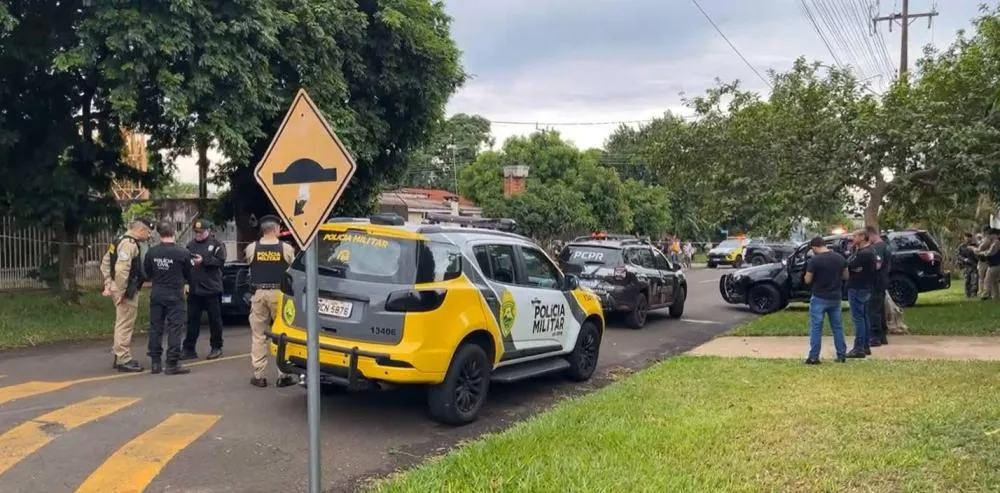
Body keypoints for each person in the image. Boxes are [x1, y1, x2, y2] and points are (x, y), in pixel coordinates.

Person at [245, 215, 298, 388]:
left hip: (259, 293)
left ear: (262, 229)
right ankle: (283, 374)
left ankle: (259, 375)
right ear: (276, 229)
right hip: (279, 294)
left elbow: (249, 264)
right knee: (282, 334)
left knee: (258, 335)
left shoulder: (252, 248)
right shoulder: (286, 248)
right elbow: (292, 268)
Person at [100, 218, 153, 372]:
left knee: (121, 322)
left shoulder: (118, 241)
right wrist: (121, 292)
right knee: (125, 325)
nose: (149, 236)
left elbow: (105, 263)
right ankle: (124, 358)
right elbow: (122, 270)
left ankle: (119, 355)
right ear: (141, 230)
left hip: (120, 288)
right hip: (127, 291)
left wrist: (109, 283)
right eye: (148, 232)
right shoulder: (129, 245)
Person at [143, 222, 193, 375]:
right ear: (174, 233)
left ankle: (155, 362)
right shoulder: (182, 253)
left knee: (155, 327)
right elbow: (189, 274)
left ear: (159, 234)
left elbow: (147, 272)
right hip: (175, 294)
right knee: (175, 328)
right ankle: (172, 362)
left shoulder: (152, 252)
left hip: (157, 293)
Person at [182, 219, 227, 360]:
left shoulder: (216, 244)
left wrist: (204, 261)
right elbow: (186, 265)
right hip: (195, 290)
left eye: (201, 232)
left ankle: (216, 347)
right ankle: (189, 349)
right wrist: (186, 282)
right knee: (192, 321)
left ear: (208, 231)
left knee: (215, 320)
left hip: (212, 289)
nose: (198, 235)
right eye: (196, 232)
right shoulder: (190, 245)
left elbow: (220, 262)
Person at [804, 236, 848, 364]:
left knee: (816, 327)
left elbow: (808, 279)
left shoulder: (815, 260)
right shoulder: (840, 258)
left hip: (819, 297)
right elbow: (846, 275)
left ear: (814, 247)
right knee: (837, 327)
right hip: (835, 297)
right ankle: (841, 354)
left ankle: (813, 356)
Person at [845, 230, 877, 359]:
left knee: (858, 318)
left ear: (863, 237)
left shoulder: (865, 253)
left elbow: (848, 264)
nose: (852, 238)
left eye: (855, 236)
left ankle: (859, 348)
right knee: (864, 317)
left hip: (858, 288)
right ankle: (865, 346)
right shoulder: (865, 251)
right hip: (865, 287)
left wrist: (852, 266)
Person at [866, 225, 891, 347]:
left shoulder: (877, 248)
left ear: (871, 235)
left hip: (876, 282)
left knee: (873, 309)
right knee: (880, 308)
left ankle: (875, 337)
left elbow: (877, 265)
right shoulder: (886, 246)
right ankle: (882, 335)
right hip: (882, 281)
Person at [957, 232, 979, 299]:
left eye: (969, 238)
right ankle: (967, 293)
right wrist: (964, 259)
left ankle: (973, 294)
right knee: (967, 280)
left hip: (974, 264)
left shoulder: (975, 246)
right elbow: (958, 255)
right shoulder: (961, 246)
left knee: (974, 280)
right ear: (964, 238)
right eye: (966, 237)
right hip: (966, 265)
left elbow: (978, 253)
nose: (968, 239)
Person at [981, 228, 1000, 301]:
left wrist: (981, 252)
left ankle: (985, 296)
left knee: (987, 281)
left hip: (995, 265)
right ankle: (995, 297)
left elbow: (989, 253)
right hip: (994, 265)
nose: (988, 237)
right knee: (994, 282)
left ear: (993, 235)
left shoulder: (996, 243)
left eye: (989, 235)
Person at [976, 227, 993, 297]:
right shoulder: (982, 240)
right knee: (982, 278)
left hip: (988, 261)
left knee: (987, 278)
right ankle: (981, 291)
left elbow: (978, 250)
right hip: (982, 261)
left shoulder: (988, 240)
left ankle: (987, 293)